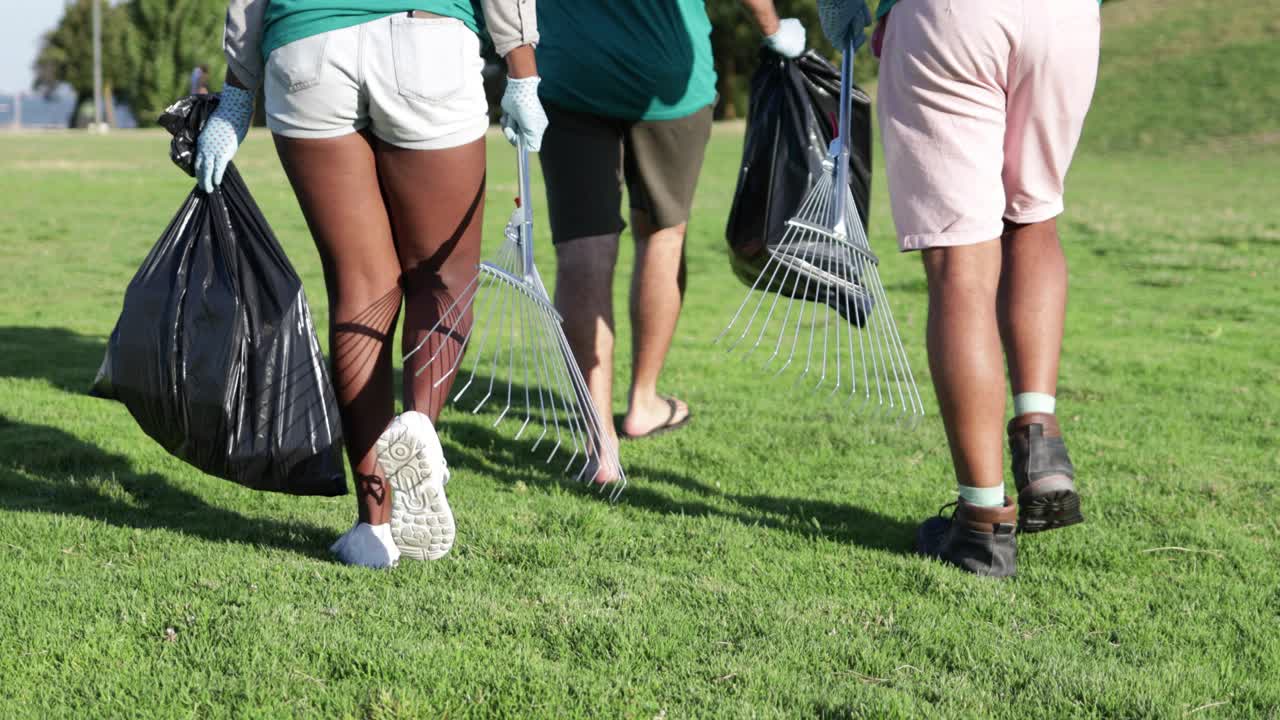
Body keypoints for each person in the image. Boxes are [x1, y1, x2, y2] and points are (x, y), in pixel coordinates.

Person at [195, 1, 549, 568]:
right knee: (443, 278)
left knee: (360, 289)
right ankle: (420, 435)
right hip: (423, 39)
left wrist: (237, 92)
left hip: (304, 51)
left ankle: (373, 529)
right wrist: (521, 67)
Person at [818, 0, 1100, 577]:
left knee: (961, 264)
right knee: (1034, 216)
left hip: (952, 20)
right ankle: (1040, 439)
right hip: (1065, 19)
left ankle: (981, 525)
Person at [535, 0, 807, 478]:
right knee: (662, 236)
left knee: (582, 249)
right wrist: (773, 29)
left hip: (569, 71)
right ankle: (643, 403)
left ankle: (601, 444)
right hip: (665, 77)